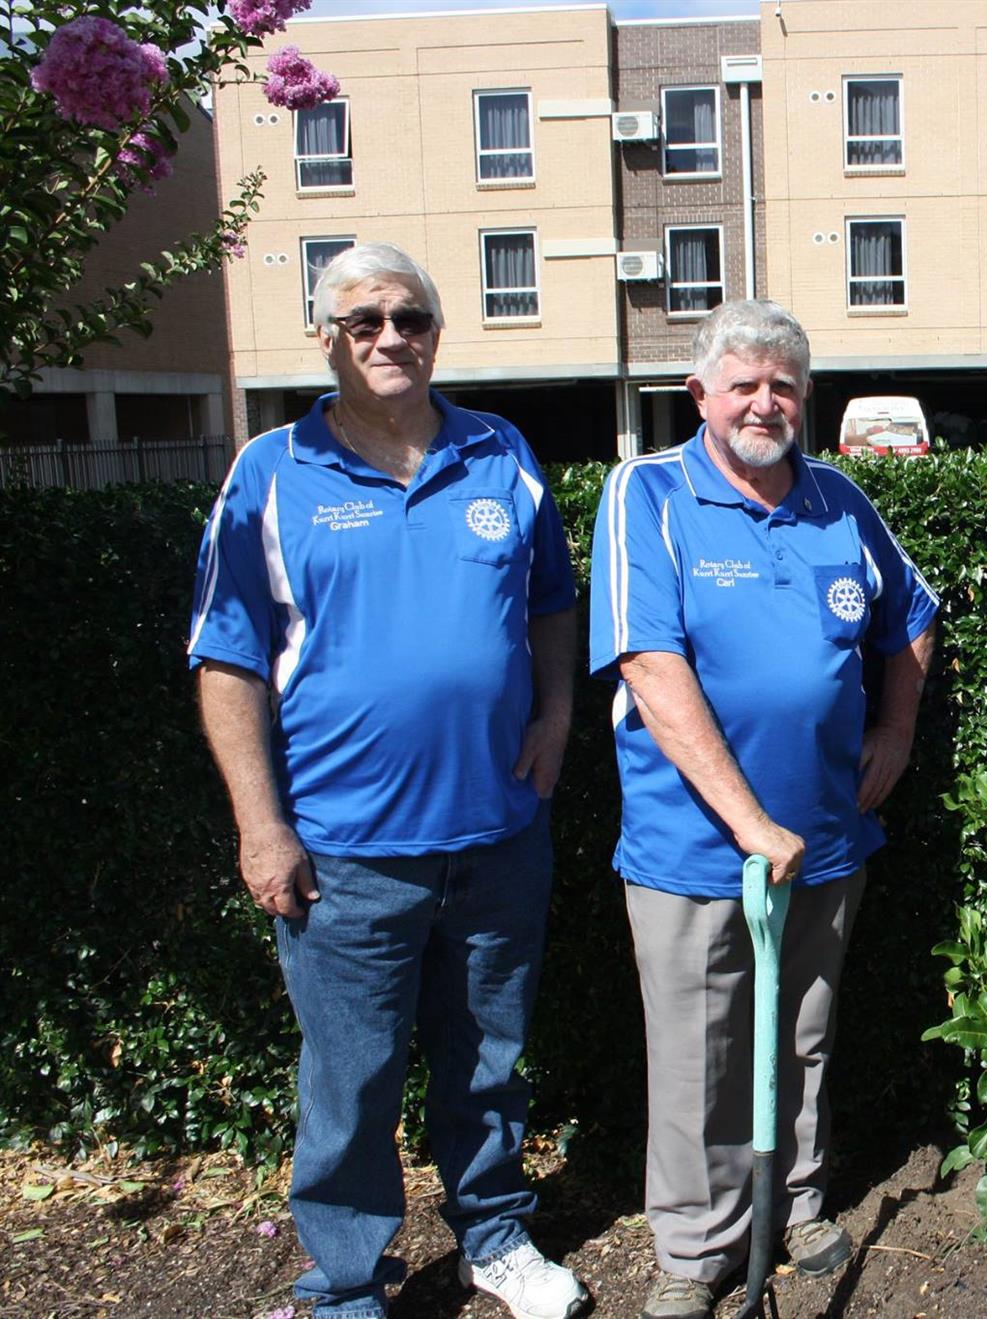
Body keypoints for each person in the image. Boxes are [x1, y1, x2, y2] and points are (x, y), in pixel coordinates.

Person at [187, 242, 588, 1319]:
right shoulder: (270, 472)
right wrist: (260, 825)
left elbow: (553, 598)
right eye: (362, 322)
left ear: (437, 331)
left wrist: (555, 711)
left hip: (499, 831)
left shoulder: (502, 452)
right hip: (346, 852)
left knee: (488, 1063)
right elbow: (226, 658)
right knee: (351, 1084)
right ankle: (348, 1280)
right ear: (326, 339)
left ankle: (497, 1236)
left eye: (408, 317)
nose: (388, 338)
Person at [589, 300, 940, 1319]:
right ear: (699, 395)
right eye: (742, 382)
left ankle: (797, 1201)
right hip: (695, 850)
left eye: (783, 384)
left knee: (806, 1034)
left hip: (827, 839)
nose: (764, 401)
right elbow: (651, 666)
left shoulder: (839, 499)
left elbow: (911, 619)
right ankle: (695, 1253)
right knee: (700, 1052)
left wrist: (898, 734)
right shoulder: (647, 493)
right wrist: (748, 819)